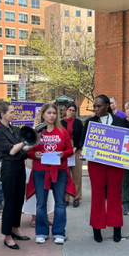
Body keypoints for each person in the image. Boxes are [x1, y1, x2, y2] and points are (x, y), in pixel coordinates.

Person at [82, 95, 128, 242]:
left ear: (107, 106)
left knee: (115, 194)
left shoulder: (120, 121)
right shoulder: (90, 122)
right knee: (97, 195)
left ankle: (117, 228)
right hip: (96, 164)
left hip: (116, 163)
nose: (95, 109)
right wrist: (84, 152)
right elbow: (83, 142)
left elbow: (128, 139)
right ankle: (97, 228)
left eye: (99, 106)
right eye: (94, 106)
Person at [26, 103, 74, 244]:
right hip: (40, 172)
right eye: (49, 113)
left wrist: (63, 154)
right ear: (43, 115)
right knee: (41, 203)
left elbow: (70, 150)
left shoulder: (62, 131)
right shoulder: (36, 132)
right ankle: (41, 232)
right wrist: (35, 155)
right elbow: (28, 151)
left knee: (60, 203)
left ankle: (59, 232)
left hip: (59, 171)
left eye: (54, 113)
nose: (52, 116)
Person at [0, 98, 34, 249]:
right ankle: (7, 235)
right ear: (3, 114)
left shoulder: (15, 129)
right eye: (11, 112)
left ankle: (15, 228)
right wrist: (25, 141)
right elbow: (11, 150)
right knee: (9, 201)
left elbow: (23, 149)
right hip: (9, 168)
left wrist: (34, 141)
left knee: (18, 199)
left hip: (19, 167)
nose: (14, 114)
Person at [61, 103, 84, 208]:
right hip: (64, 150)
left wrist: (76, 147)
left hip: (76, 150)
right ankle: (66, 198)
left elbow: (82, 138)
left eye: (73, 110)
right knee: (65, 175)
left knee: (76, 175)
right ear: (66, 110)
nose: (71, 112)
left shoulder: (78, 123)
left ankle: (76, 197)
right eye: (69, 110)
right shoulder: (60, 123)